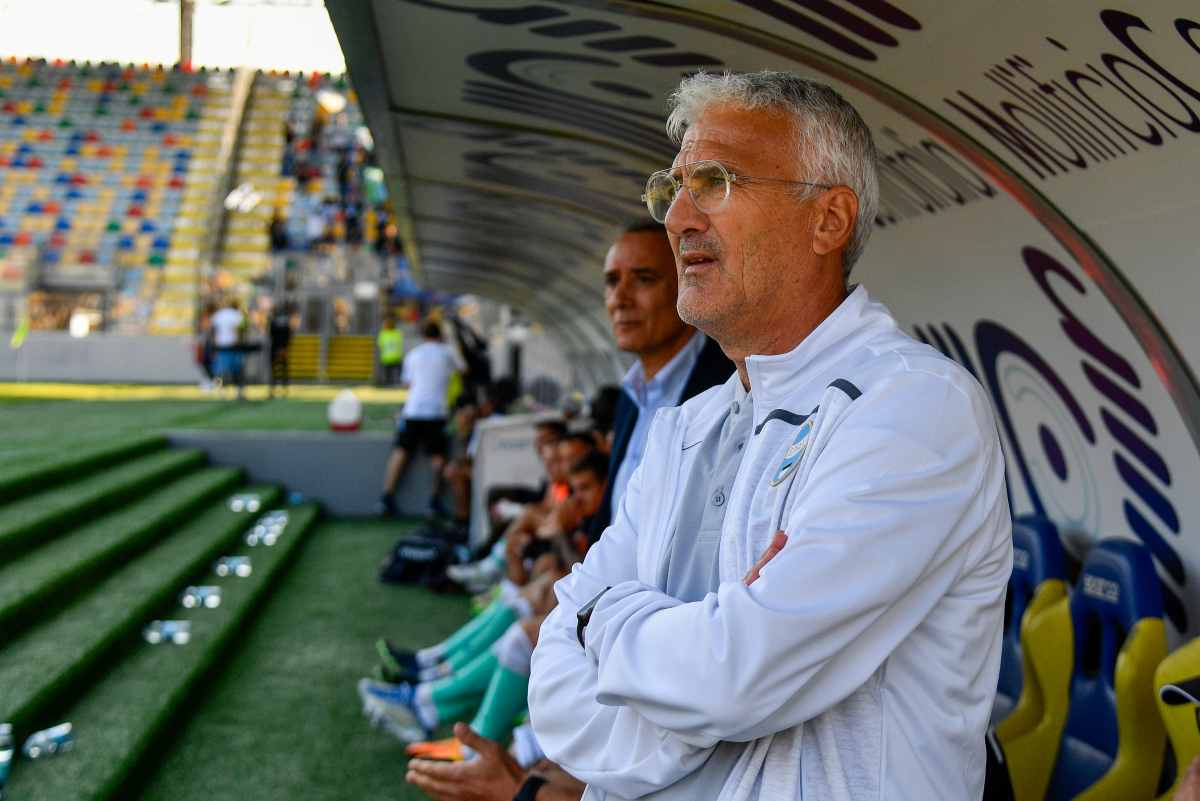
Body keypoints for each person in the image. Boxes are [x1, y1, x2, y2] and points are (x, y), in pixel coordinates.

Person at [529, 71, 1012, 801]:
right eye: (673, 187)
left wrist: (600, 616)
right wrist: (693, 671)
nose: (678, 217)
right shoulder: (687, 425)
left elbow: (732, 678)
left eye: (715, 182)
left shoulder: (917, 406)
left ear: (828, 220)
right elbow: (558, 693)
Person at [589, 219, 734, 543]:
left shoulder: (731, 384)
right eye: (612, 281)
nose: (620, 298)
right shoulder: (630, 396)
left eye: (644, 279)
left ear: (688, 285)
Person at [380, 320, 464, 517]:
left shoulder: (414, 354)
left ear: (423, 335)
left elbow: (407, 384)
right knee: (437, 456)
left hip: (414, 410)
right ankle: (434, 501)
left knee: (401, 451)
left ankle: (386, 497)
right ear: (440, 334)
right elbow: (463, 370)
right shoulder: (447, 353)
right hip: (437, 412)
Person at [210, 297, 246, 400]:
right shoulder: (237, 315)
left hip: (221, 345)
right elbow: (240, 330)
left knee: (220, 371)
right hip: (233, 345)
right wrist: (239, 341)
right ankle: (239, 392)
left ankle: (220, 392)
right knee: (238, 370)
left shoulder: (218, 314)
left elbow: (213, 330)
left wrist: (215, 342)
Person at [268, 302, 292, 399]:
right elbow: (289, 335)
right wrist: (285, 347)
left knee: (274, 370)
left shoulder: (273, 321)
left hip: (275, 347)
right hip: (283, 348)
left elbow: (271, 335)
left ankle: (273, 389)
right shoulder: (286, 322)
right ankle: (284, 389)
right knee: (283, 369)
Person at [376, 314, 404, 386]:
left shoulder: (383, 334)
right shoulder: (398, 333)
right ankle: (398, 383)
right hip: (397, 357)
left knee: (388, 375)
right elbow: (400, 343)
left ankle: (388, 384)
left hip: (386, 358)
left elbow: (380, 345)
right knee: (398, 374)